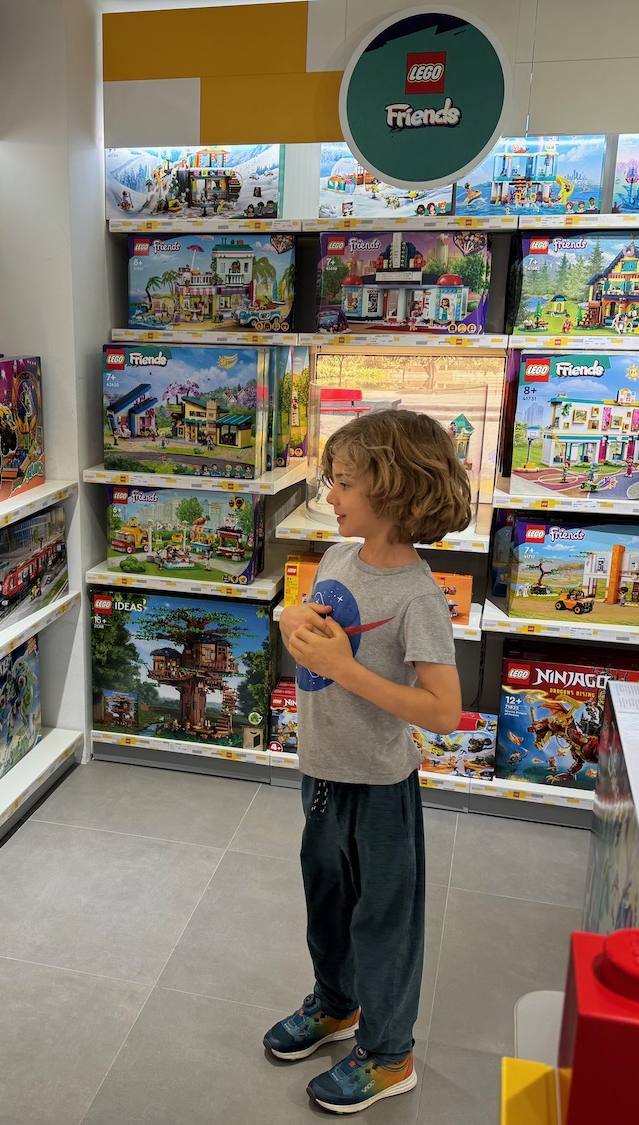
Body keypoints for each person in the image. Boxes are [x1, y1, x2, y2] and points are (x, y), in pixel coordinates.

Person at [264, 409, 467, 1114]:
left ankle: (389, 1053)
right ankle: (337, 1004)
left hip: (380, 788)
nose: (332, 495)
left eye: (343, 482)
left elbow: (443, 710)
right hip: (320, 771)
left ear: (393, 489)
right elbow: (314, 628)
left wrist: (345, 670)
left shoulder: (417, 596)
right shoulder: (337, 557)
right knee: (327, 904)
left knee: (383, 919)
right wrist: (294, 623)